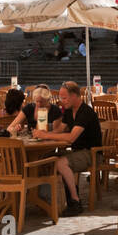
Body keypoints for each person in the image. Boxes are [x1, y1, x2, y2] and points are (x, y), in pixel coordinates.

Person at [38, 82, 101, 216]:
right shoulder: (68, 110)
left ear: (74, 96)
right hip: (76, 151)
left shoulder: (85, 112)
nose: (61, 101)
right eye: (60, 97)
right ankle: (51, 198)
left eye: (64, 98)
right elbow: (60, 130)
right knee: (46, 158)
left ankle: (75, 201)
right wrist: (42, 134)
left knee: (61, 163)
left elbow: (71, 137)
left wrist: (46, 135)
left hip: (91, 153)